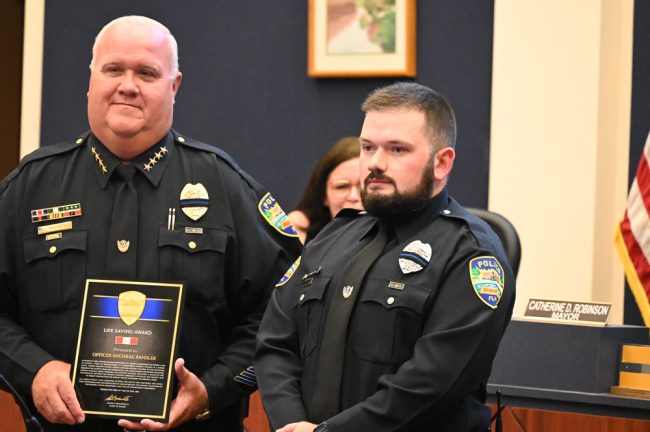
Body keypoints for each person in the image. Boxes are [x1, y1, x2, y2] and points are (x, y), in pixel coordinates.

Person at [0, 15, 301, 432]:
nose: (128, 85)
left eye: (146, 72)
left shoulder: (225, 187)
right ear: (91, 78)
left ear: (174, 86)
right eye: (113, 69)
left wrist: (212, 390)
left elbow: (284, 312)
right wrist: (33, 369)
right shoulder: (29, 188)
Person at [255, 82, 516, 432]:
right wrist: (290, 422)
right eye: (368, 147)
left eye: (397, 149)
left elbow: (431, 385)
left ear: (441, 162)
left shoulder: (472, 255)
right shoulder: (334, 235)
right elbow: (275, 341)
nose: (375, 163)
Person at [287, 137, 362, 243]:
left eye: (364, 186)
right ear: (324, 196)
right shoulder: (300, 226)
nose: (353, 196)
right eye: (342, 186)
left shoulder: (392, 238)